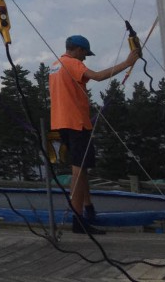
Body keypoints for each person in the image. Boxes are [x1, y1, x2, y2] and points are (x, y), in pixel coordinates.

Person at [49, 34, 139, 234]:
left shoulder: (55, 65)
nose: (85, 59)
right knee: (78, 171)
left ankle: (88, 209)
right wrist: (127, 63)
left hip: (60, 123)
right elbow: (97, 76)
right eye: (85, 54)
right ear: (79, 50)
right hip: (77, 124)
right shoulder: (73, 63)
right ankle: (78, 220)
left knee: (81, 169)